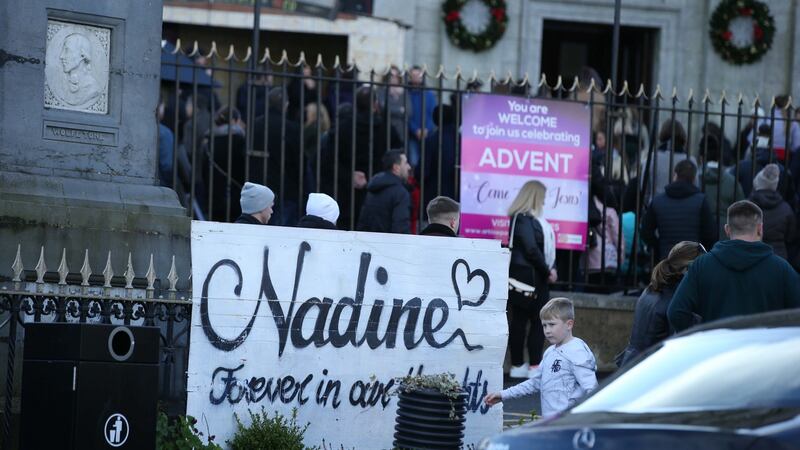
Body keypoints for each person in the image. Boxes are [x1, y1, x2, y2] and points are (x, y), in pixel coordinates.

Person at [668, 200, 800, 331]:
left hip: (719, 349)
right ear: (760, 228)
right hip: (764, 349)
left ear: (727, 229)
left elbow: (676, 312)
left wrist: (702, 335)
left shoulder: (702, 265)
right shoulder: (781, 268)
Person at [484, 297, 598, 418]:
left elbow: (592, 389)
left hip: (569, 424)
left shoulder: (577, 351)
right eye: (544, 325)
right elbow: (536, 382)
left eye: (552, 325)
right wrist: (503, 395)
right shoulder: (550, 352)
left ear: (569, 324)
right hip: (550, 424)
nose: (547, 330)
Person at [617, 241, 705, 367]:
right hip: (650, 367)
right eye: (703, 267)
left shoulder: (656, 288)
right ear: (688, 269)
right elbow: (681, 346)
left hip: (635, 364)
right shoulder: (676, 298)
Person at [506, 181, 557, 379]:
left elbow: (538, 249)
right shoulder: (523, 218)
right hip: (530, 279)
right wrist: (548, 271)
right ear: (535, 196)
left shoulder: (528, 219)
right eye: (542, 197)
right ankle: (529, 365)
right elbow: (532, 249)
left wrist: (549, 270)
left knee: (529, 322)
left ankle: (523, 365)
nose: (544, 201)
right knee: (532, 322)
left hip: (533, 277)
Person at [641, 159, 715, 261]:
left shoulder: (658, 201)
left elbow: (645, 232)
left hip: (666, 258)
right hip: (693, 260)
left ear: (675, 175)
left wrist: (658, 246)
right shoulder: (701, 201)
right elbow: (710, 235)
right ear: (694, 178)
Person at [699, 134, 744, 240]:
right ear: (719, 157)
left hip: (700, 235)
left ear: (701, 158)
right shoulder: (732, 181)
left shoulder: (695, 179)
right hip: (726, 235)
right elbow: (742, 211)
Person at [640, 119, 696, 202]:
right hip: (684, 207)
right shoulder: (690, 160)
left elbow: (644, 188)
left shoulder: (652, 158)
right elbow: (695, 187)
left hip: (657, 207)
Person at [356, 150, 411, 234]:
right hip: (390, 246)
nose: (409, 167)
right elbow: (400, 230)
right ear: (396, 167)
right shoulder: (400, 193)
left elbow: (362, 224)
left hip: (369, 244)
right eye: (406, 163)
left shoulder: (372, 189)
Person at [749, 164, 796, 260]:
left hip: (752, 253)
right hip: (778, 256)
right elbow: (791, 237)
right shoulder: (786, 209)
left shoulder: (747, 206)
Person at [406, 66, 437, 168]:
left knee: (427, 162)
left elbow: (433, 113)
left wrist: (427, 129)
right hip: (412, 134)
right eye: (413, 75)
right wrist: (415, 130)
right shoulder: (406, 94)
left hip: (428, 134)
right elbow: (407, 115)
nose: (415, 78)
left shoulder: (429, 94)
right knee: (413, 162)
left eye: (418, 75)